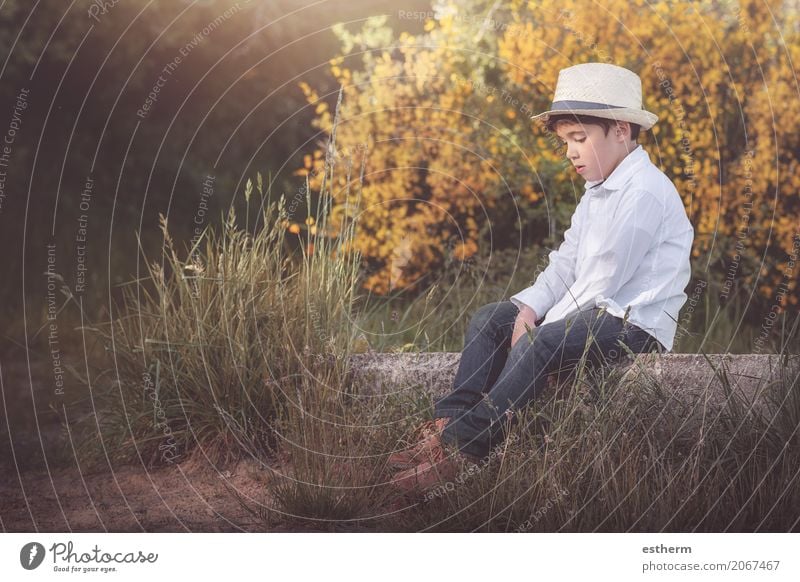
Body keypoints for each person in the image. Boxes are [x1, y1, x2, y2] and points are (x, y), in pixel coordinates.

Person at [388, 62, 695, 493]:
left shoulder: (643, 192)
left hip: (633, 322)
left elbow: (600, 283)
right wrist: (528, 308)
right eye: (564, 141)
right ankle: (446, 426)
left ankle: (462, 450)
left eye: (579, 138)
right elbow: (568, 261)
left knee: (540, 341)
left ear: (621, 131)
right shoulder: (600, 190)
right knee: (490, 319)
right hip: (593, 308)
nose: (570, 152)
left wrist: (537, 331)